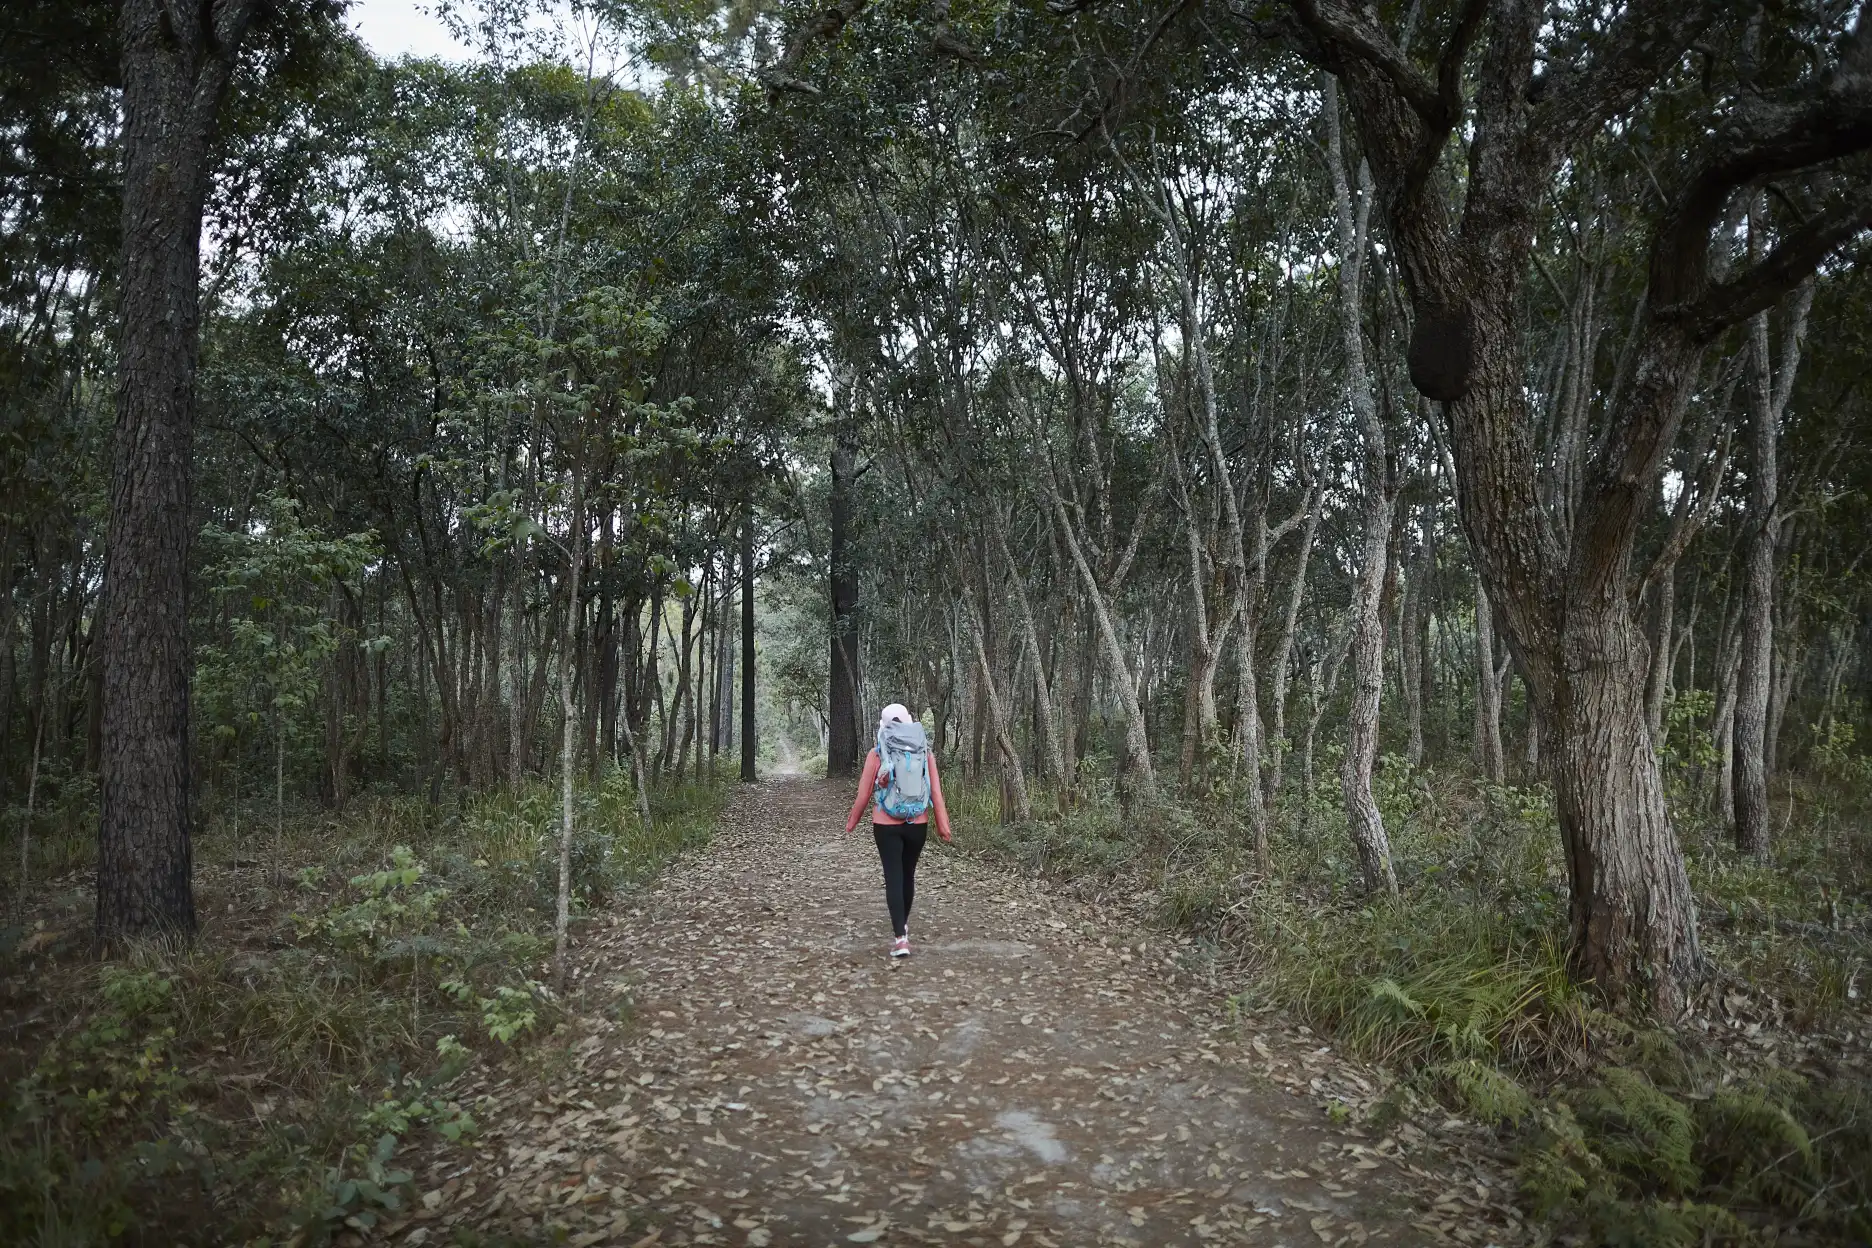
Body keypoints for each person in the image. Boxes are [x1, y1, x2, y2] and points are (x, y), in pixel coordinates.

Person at [844, 703, 953, 958]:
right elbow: (936, 792)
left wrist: (852, 821)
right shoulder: (924, 752)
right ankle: (903, 926)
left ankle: (900, 939)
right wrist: (943, 825)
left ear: (883, 725)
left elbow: (864, 793)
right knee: (908, 875)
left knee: (893, 877)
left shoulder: (877, 753)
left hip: (885, 824)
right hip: (918, 823)